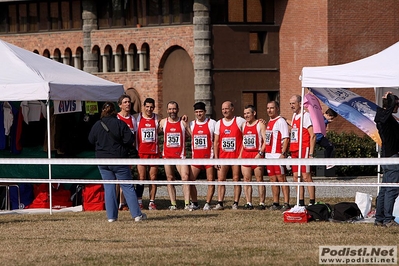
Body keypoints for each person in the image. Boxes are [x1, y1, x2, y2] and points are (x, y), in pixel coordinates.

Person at [88, 102, 146, 222]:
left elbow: (91, 140)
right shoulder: (120, 123)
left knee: (109, 187)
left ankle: (111, 217)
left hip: (103, 161)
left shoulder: (97, 125)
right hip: (119, 159)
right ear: (114, 111)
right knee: (127, 186)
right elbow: (129, 139)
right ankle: (136, 215)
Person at [213, 101, 246, 210]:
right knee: (220, 179)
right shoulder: (219, 123)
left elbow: (251, 126)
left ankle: (235, 203)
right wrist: (216, 159)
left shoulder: (240, 121)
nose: (224, 111)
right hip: (223, 157)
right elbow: (216, 142)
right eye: (223, 109)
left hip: (236, 157)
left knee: (236, 179)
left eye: (226, 109)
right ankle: (220, 202)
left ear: (232, 109)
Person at [159, 101, 191, 210]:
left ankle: (187, 203)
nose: (172, 111)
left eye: (174, 109)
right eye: (170, 109)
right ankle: (173, 204)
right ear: (167, 110)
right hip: (167, 156)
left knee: (185, 177)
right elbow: (154, 132)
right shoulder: (163, 122)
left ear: (177, 109)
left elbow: (192, 135)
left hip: (180, 156)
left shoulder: (183, 122)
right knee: (170, 178)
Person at [374, 91, 399, 227]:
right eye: (397, 104)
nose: (398, 107)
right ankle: (388, 219)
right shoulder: (383, 117)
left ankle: (379, 218)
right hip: (391, 157)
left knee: (384, 189)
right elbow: (386, 115)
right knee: (391, 189)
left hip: (386, 156)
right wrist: (390, 100)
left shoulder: (385, 117)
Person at [259, 101, 290, 211]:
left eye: (272, 108)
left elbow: (286, 138)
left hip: (277, 155)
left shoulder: (281, 121)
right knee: (272, 179)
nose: (269, 110)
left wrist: (283, 153)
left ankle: (286, 203)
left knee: (281, 179)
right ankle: (275, 202)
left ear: (277, 108)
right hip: (269, 156)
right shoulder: (269, 121)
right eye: (268, 108)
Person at [289, 95, 316, 206]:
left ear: (300, 103)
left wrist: (311, 153)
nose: (291, 106)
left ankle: (312, 202)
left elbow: (312, 135)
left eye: (293, 103)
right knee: (296, 177)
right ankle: (300, 202)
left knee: (306, 176)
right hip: (294, 150)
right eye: (290, 104)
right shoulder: (295, 115)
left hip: (303, 149)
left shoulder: (306, 116)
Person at [189, 102, 217, 211]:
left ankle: (207, 203)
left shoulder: (212, 123)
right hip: (196, 158)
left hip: (209, 157)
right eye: (196, 112)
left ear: (205, 112)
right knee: (190, 180)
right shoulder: (192, 124)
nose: (199, 114)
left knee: (211, 180)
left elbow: (217, 139)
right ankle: (195, 203)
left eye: (201, 111)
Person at [134, 98, 160, 210]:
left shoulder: (157, 118)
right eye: (147, 107)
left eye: (151, 107)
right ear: (144, 107)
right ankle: (139, 201)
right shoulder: (137, 117)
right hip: (141, 152)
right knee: (141, 177)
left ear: (154, 108)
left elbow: (169, 120)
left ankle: (151, 202)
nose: (149, 109)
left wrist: (183, 118)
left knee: (153, 178)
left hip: (154, 153)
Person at [240, 105, 266, 210]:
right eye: (245, 113)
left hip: (257, 154)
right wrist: (240, 155)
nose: (246, 115)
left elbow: (265, 141)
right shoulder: (243, 125)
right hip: (246, 154)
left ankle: (261, 203)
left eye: (248, 113)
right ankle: (248, 202)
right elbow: (243, 141)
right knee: (246, 179)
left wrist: (260, 153)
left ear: (254, 113)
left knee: (259, 179)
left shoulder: (260, 124)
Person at [116, 94, 137, 211]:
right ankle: (117, 201)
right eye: (125, 102)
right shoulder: (117, 118)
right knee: (117, 179)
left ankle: (122, 203)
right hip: (118, 152)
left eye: (129, 102)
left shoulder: (132, 119)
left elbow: (134, 135)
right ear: (120, 105)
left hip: (128, 153)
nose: (128, 104)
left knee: (126, 177)